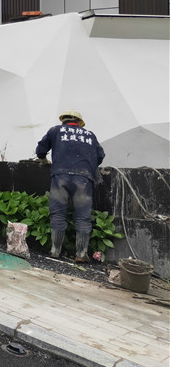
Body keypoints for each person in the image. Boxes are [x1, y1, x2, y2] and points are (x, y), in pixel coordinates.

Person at [36, 110, 105, 262]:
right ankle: (81, 254)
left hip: (60, 177)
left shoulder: (55, 131)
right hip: (83, 179)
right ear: (79, 122)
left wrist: (43, 161)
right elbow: (100, 156)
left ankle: (55, 251)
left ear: (63, 121)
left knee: (58, 214)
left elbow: (41, 150)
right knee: (83, 217)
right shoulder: (90, 135)